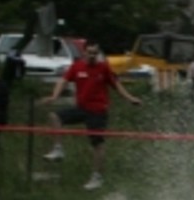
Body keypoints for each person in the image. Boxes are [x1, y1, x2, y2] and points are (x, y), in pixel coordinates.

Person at [44, 40, 142, 191]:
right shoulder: (77, 66)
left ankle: (97, 177)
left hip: (98, 111)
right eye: (89, 52)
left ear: (98, 53)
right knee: (55, 116)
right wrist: (54, 96)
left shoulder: (103, 68)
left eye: (95, 53)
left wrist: (130, 98)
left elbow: (117, 85)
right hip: (81, 108)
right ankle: (58, 149)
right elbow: (63, 81)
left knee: (97, 144)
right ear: (84, 52)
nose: (92, 56)